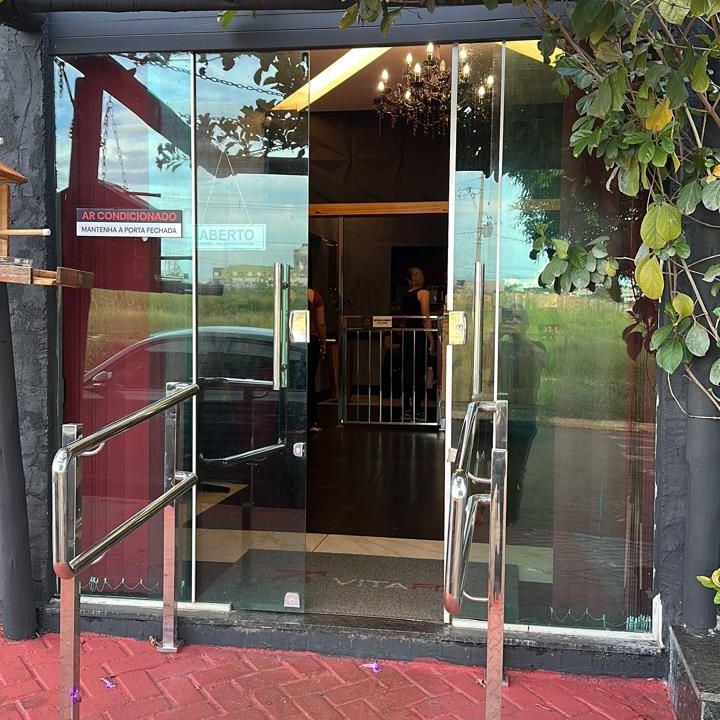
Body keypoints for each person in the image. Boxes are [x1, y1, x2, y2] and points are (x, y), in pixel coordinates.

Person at [399, 267, 435, 421]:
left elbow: (403, 317)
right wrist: (431, 338)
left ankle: (406, 408)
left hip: (407, 335)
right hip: (419, 335)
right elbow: (425, 317)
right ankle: (417, 409)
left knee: (407, 372)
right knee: (419, 372)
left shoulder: (405, 295)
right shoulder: (424, 293)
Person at [307, 287, 326, 432]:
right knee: (310, 379)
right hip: (311, 339)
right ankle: (312, 420)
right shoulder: (315, 295)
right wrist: (323, 342)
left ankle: (291, 418)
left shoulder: (287, 291)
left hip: (291, 339)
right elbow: (321, 323)